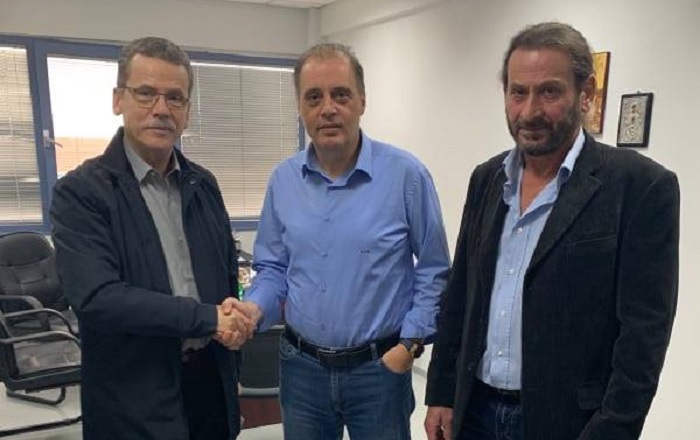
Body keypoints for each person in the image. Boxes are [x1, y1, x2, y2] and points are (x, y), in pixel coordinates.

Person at [424, 22, 679, 440]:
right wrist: (441, 392)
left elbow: (643, 337)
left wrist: (611, 431)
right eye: (518, 92)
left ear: (586, 92)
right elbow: (461, 294)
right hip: (475, 413)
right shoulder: (487, 178)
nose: (529, 112)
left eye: (549, 92)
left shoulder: (640, 186)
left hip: (569, 423)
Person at [231, 43, 451, 439]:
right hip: (301, 371)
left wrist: (410, 346)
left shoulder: (406, 176)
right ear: (300, 108)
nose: (327, 108)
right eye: (314, 97)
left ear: (362, 101)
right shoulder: (283, 181)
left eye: (341, 94)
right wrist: (253, 309)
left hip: (379, 372)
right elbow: (273, 269)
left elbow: (434, 270)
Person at [51, 36, 253, 440]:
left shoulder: (204, 184)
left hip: (209, 387)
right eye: (146, 93)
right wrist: (209, 317)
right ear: (118, 100)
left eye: (175, 98)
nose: (161, 109)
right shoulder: (81, 192)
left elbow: (226, 273)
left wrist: (234, 323)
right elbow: (98, 298)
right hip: (134, 397)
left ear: (187, 112)